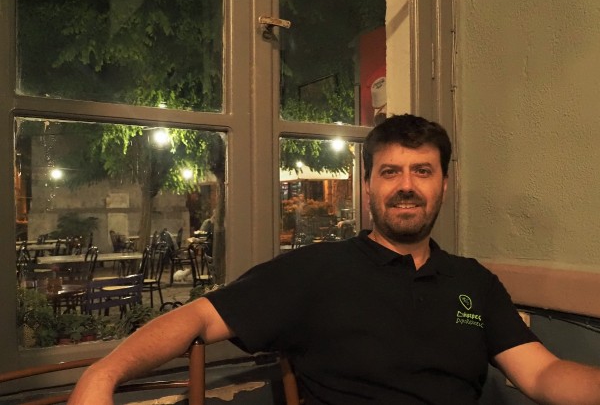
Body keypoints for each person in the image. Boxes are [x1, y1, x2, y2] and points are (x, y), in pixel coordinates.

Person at [69, 114, 600, 404]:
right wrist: (102, 373)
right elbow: (198, 317)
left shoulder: (473, 282)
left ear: (444, 184)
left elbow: (543, 374)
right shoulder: (316, 271)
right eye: (390, 172)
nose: (407, 186)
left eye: (422, 171)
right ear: (368, 187)